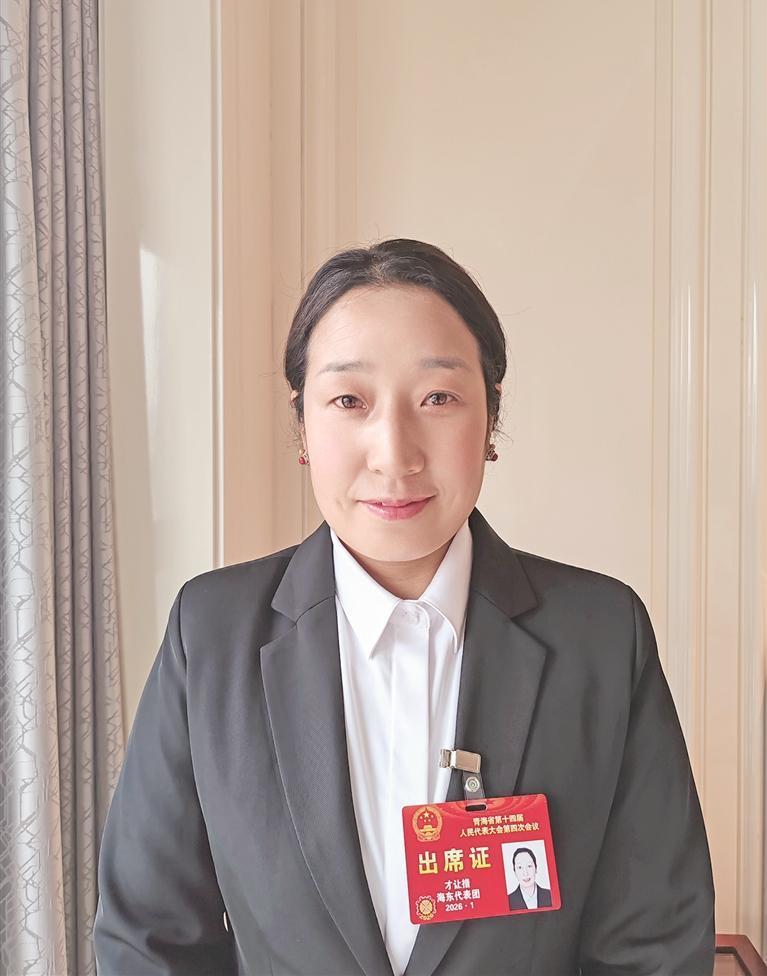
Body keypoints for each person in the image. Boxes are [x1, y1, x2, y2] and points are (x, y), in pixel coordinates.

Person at [93, 238, 715, 976]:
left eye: (438, 398)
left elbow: (653, 943)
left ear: (490, 418)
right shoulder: (211, 632)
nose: (394, 453)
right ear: (302, 424)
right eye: (348, 401)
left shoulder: (601, 635)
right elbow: (149, 938)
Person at [506, 847, 552, 911]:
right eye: (520, 867)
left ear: (536, 868)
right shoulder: (508, 901)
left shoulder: (550, 895)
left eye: (529, 866)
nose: (525, 873)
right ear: (515, 872)